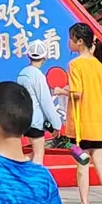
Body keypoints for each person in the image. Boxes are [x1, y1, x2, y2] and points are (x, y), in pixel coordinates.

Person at [65, 24, 102, 204]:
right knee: (101, 164)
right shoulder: (99, 65)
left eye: (71, 38)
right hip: (98, 122)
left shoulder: (75, 65)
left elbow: (77, 94)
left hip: (81, 125)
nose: (69, 42)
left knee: (82, 165)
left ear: (80, 42)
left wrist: (62, 91)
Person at [14, 39, 63, 168]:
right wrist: (56, 124)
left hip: (25, 120)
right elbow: (45, 102)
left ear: (28, 56)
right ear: (44, 57)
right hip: (36, 121)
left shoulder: (22, 74)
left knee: (33, 153)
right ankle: (34, 184)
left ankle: (14, 168)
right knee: (39, 154)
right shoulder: (39, 76)